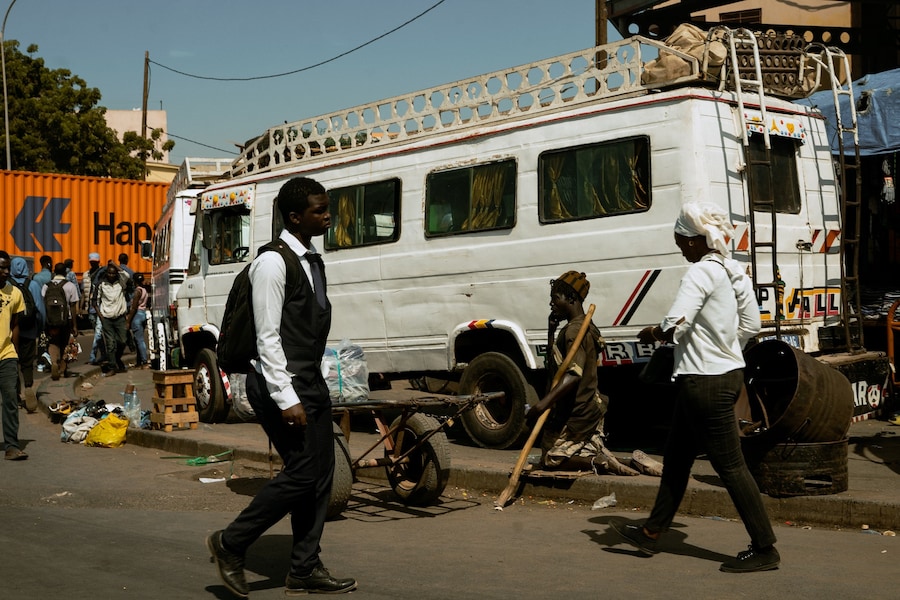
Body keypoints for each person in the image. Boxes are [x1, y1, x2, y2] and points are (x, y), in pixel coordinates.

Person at [206, 177, 356, 598]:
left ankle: (304, 568)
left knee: (322, 475)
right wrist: (287, 397)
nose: (327, 215)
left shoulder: (312, 259)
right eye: (318, 210)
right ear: (294, 217)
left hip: (309, 381)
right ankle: (231, 543)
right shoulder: (273, 263)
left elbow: (305, 327)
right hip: (279, 385)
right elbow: (268, 336)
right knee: (304, 472)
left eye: (327, 207)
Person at [611, 201, 779, 573]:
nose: (681, 249)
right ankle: (652, 532)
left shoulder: (701, 273)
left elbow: (675, 323)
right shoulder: (732, 269)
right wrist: (723, 346)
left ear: (694, 241)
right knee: (677, 458)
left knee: (731, 466)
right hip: (723, 375)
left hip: (705, 382)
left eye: (681, 242)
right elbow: (751, 324)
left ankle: (765, 547)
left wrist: (653, 332)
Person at [525, 270, 637, 476]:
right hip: (590, 406)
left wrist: (542, 405)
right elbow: (556, 365)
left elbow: (573, 375)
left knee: (550, 459)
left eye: (555, 298)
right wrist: (551, 331)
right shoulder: (585, 326)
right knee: (570, 448)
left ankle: (601, 463)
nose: (551, 304)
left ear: (571, 298)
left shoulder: (574, 331)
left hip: (579, 411)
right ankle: (630, 462)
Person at [0, 250, 28, 460]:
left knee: (10, 399)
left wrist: (16, 353)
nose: (6, 271)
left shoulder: (15, 293)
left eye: (7, 267)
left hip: (6, 354)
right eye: (2, 267)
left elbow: (15, 325)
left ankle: (11, 445)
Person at [9, 257, 45, 412]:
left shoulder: (7, 285)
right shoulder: (34, 285)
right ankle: (29, 386)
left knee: (12, 363)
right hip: (29, 330)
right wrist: (40, 328)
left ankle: (15, 394)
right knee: (27, 362)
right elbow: (40, 310)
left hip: (10, 332)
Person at [41, 263, 79, 380]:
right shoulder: (70, 286)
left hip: (51, 320)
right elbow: (73, 306)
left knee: (53, 342)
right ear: (66, 272)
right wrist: (75, 325)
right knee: (65, 344)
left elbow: (44, 303)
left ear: (54, 271)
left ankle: (54, 362)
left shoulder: (46, 286)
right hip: (65, 320)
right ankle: (62, 370)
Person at [91, 261, 130, 375]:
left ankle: (117, 358)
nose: (111, 275)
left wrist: (114, 264)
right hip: (107, 318)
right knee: (110, 343)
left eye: (113, 273)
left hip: (120, 317)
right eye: (109, 273)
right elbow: (95, 302)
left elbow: (126, 275)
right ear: (106, 273)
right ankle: (112, 366)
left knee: (122, 341)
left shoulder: (121, 283)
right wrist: (101, 316)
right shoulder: (101, 285)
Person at [82, 252, 106, 365]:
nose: (93, 264)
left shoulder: (103, 274)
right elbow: (84, 292)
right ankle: (104, 354)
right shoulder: (86, 275)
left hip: (100, 307)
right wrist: (82, 307)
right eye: (91, 262)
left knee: (98, 333)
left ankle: (92, 357)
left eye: (95, 262)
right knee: (98, 334)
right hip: (90, 308)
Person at [126, 273, 150, 368]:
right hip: (143, 314)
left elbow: (134, 307)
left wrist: (128, 320)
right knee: (138, 339)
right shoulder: (144, 290)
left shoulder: (137, 292)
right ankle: (139, 361)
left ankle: (144, 361)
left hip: (137, 316)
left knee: (139, 340)